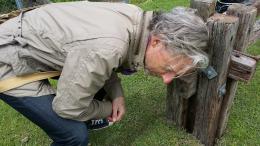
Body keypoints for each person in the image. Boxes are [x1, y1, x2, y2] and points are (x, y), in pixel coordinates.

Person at [0, 1, 209, 145]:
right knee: (73, 135)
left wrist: (116, 93)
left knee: (90, 83)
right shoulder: (107, 48)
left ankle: (87, 113)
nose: (166, 79)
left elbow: (101, 58)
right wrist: (107, 108)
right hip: (9, 58)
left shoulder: (136, 18)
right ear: (157, 42)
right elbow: (67, 108)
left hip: (36, 41)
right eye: (169, 69)